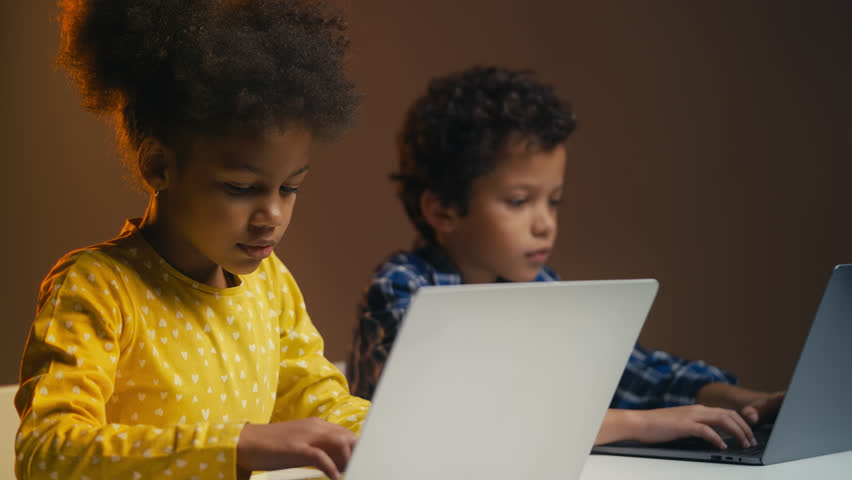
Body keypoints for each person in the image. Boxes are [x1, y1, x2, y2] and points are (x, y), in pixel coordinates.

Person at [15, 1, 368, 479]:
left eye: (290, 188)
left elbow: (321, 400)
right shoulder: (98, 289)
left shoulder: (271, 285)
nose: (273, 215)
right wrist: (237, 444)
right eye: (241, 189)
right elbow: (47, 453)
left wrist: (397, 431)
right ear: (159, 166)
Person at [347, 65, 784, 450]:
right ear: (442, 210)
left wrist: (741, 399)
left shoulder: (536, 288)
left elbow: (629, 372)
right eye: (519, 201)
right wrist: (639, 425)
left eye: (553, 200)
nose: (545, 224)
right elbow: (466, 415)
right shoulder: (402, 288)